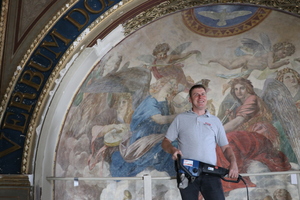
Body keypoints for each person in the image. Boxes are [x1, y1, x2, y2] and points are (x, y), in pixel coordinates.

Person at [161, 84, 238, 200]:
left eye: (203, 94)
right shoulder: (180, 119)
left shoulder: (215, 121)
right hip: (186, 172)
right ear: (190, 99)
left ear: (206, 97)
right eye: (196, 95)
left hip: (211, 173)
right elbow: (165, 142)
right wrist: (173, 150)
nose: (200, 97)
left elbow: (226, 147)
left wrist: (233, 163)